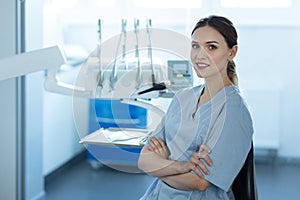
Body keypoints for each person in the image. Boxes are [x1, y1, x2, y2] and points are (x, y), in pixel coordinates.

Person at [138, 15, 254, 200]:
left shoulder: (234, 110)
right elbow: (144, 160)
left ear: (232, 52)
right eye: (195, 46)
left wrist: (161, 166)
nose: (200, 55)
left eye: (212, 47)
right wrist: (181, 167)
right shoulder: (182, 98)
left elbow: (199, 182)